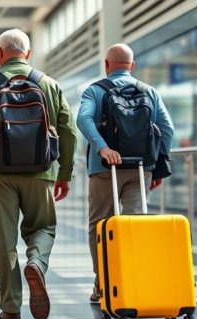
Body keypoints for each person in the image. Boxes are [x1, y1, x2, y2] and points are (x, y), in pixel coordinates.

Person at [0, 29, 77, 319]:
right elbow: (69, 130)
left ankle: (10, 310)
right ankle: (36, 261)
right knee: (44, 227)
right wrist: (64, 173)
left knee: (4, 241)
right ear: (28, 53)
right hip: (42, 170)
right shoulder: (48, 84)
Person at [76, 43, 174, 304]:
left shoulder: (95, 91)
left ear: (106, 65)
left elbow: (83, 120)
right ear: (132, 66)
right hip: (141, 169)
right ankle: (132, 281)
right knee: (134, 226)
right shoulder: (149, 91)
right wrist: (158, 166)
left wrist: (103, 148)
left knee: (100, 226)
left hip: (104, 169)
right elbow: (167, 128)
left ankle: (102, 285)